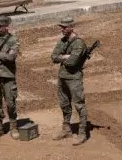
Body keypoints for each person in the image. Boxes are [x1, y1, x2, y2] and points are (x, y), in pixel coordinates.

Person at [50, 16, 88, 146]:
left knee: (79, 104)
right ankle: (66, 129)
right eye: (61, 27)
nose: (62, 29)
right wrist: (66, 56)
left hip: (74, 78)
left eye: (64, 27)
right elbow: (53, 57)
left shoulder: (79, 43)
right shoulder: (62, 40)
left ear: (72, 27)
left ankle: (82, 133)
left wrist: (63, 57)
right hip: (62, 77)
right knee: (64, 104)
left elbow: (72, 63)